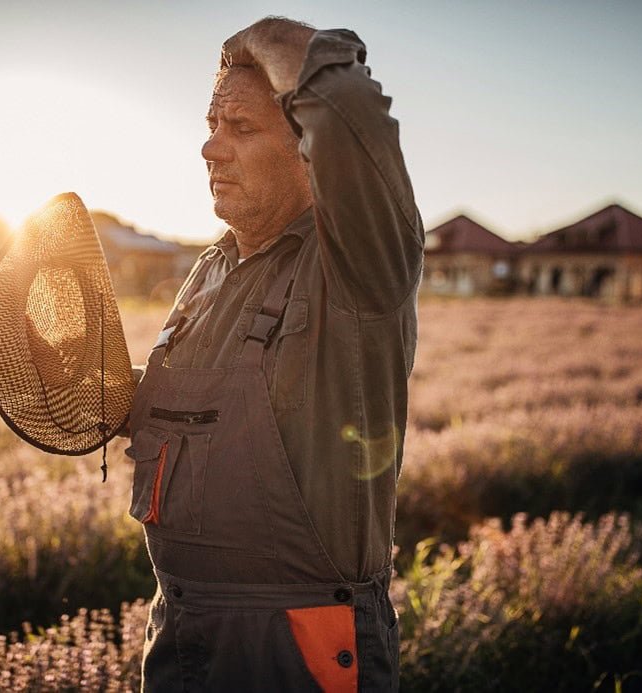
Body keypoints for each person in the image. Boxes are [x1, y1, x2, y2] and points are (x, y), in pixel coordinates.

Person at [124, 16, 423, 692]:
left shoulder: (353, 268)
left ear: (310, 150)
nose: (209, 148)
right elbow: (216, 407)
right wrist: (114, 395)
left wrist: (258, 36)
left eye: (242, 129)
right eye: (210, 123)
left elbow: (348, 111)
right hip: (178, 633)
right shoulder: (212, 268)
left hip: (297, 647)